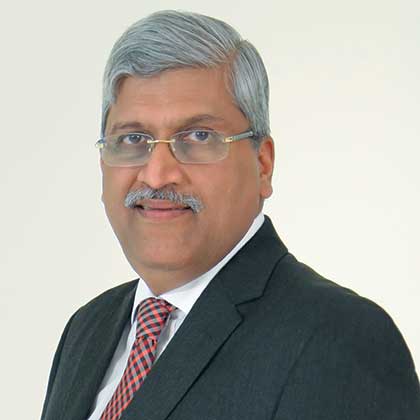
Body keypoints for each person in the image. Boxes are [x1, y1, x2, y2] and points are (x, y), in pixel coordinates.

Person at [41, 10, 420, 420]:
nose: (157, 174)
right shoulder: (87, 330)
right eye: (133, 138)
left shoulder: (342, 341)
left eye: (198, 136)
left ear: (263, 164)